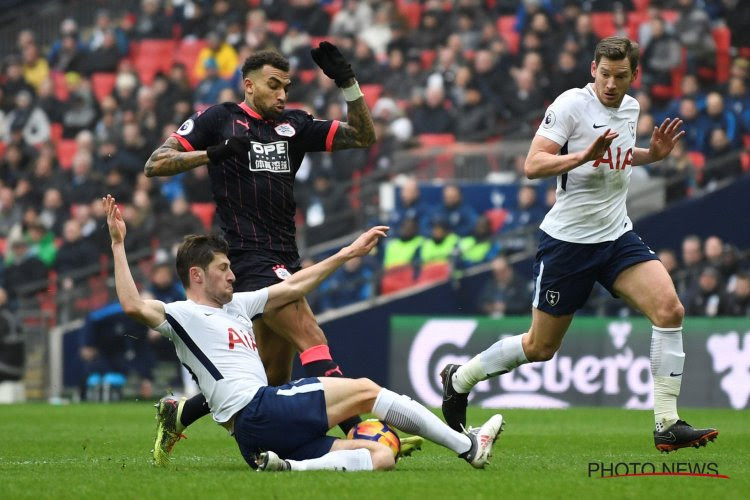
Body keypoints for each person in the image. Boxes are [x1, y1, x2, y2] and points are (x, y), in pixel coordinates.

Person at [439, 37, 718, 453]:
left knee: (670, 309)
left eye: (620, 76)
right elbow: (533, 165)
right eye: (604, 74)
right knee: (540, 347)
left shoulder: (631, 108)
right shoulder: (570, 105)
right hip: (568, 243)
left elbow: (615, 156)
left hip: (616, 235)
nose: (611, 83)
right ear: (593, 69)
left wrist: (651, 156)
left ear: (633, 76)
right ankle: (460, 378)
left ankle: (666, 422)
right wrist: (581, 155)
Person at [102, 195, 504, 471]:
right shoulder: (182, 315)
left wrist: (348, 253)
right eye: (223, 268)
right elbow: (133, 305)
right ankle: (468, 447)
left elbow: (294, 286)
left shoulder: (239, 305)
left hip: (256, 440)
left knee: (381, 457)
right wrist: (119, 244)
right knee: (364, 389)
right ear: (196, 275)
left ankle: (287, 467)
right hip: (257, 411)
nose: (232, 274)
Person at [143, 45, 378, 454]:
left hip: (287, 255)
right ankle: (362, 433)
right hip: (246, 257)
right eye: (273, 86)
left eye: (286, 86)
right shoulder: (218, 119)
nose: (282, 94)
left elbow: (363, 136)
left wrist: (348, 84)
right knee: (311, 334)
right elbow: (156, 163)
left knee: (270, 379)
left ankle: (179, 414)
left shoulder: (294, 125)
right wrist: (211, 153)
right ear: (249, 86)